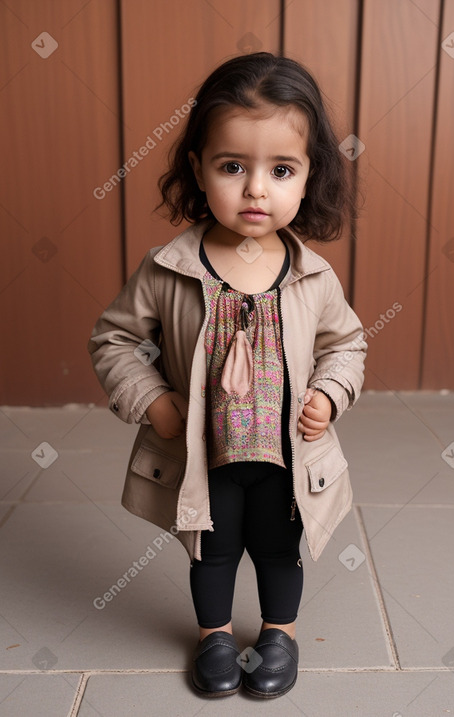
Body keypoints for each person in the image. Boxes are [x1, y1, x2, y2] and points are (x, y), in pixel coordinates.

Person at [88, 51, 367, 699]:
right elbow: (115, 339)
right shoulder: (169, 270)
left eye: (281, 169)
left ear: (308, 177)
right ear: (198, 168)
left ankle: (279, 632)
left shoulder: (313, 276)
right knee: (210, 551)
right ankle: (214, 634)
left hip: (284, 454)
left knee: (278, 547)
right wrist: (153, 400)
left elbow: (347, 344)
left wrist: (328, 392)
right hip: (203, 453)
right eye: (232, 166)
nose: (255, 189)